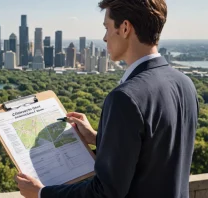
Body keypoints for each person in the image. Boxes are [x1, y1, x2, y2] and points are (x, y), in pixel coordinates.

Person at [15, 0, 199, 197]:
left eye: (107, 27)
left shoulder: (125, 97)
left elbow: (104, 193)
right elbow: (155, 154)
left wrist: (42, 193)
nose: (104, 37)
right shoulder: (185, 84)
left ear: (125, 28)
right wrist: (100, 138)